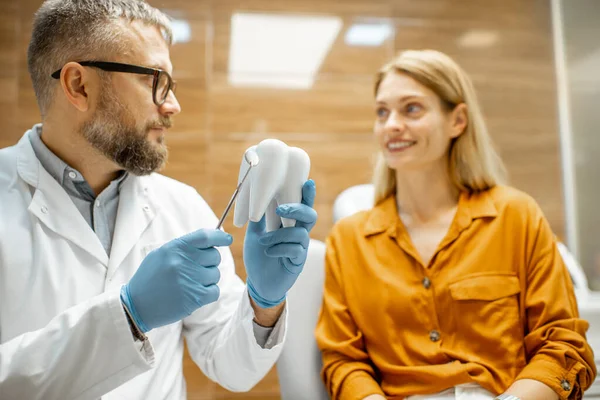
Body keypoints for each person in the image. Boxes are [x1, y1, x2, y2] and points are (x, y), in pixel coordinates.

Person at [0, 1, 317, 399]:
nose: (172, 106)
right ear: (79, 85)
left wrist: (263, 302)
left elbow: (232, 368)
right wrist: (129, 315)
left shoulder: (180, 206)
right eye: (156, 81)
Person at [315, 49, 596, 400]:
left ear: (457, 120)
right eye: (382, 112)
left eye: (411, 108)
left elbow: (562, 345)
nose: (391, 125)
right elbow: (344, 361)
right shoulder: (349, 239)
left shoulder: (516, 216)